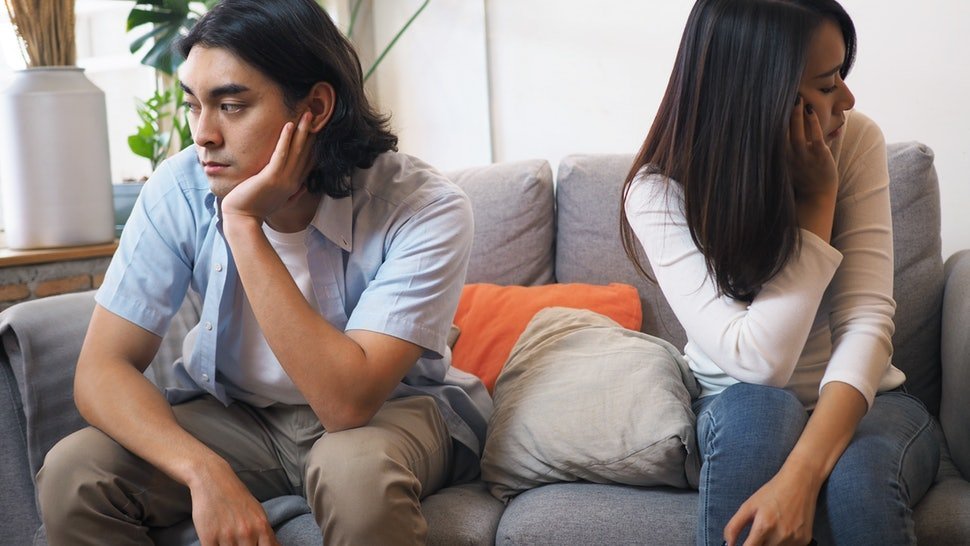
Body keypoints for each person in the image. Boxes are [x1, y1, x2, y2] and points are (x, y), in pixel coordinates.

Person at [35, 0, 491, 544]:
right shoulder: (178, 188)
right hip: (240, 419)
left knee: (353, 471)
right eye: (193, 106)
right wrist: (203, 470)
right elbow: (100, 371)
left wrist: (244, 223)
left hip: (387, 417)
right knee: (75, 472)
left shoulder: (423, 208)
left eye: (230, 105)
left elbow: (346, 404)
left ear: (315, 108)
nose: (203, 133)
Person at [621, 1, 939, 545]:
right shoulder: (657, 192)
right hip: (735, 401)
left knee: (858, 482)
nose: (849, 98)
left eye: (842, 73)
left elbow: (866, 320)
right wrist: (816, 205)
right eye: (826, 82)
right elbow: (759, 364)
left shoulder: (856, 139)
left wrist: (801, 477)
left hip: (866, 399)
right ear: (759, 98)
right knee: (759, 416)